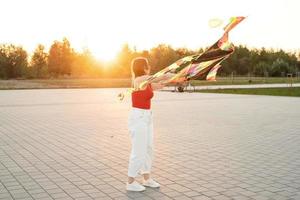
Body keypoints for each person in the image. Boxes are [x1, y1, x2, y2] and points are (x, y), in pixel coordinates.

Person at [126, 57, 170, 192]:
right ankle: (130, 182)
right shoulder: (138, 80)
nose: (150, 67)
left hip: (147, 117)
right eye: (148, 65)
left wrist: (182, 78)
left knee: (149, 148)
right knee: (139, 150)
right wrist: (179, 73)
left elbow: (162, 83)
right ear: (143, 67)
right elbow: (161, 76)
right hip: (138, 118)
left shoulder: (147, 82)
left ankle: (146, 178)